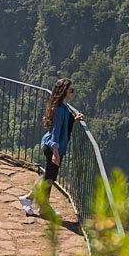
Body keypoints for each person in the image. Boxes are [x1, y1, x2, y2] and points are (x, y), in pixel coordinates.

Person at [20, 77, 84, 217]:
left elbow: (62, 125)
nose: (73, 92)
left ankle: (38, 205)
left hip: (51, 145)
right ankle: (32, 201)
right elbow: (56, 132)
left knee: (49, 177)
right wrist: (55, 152)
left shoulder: (62, 106)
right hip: (53, 147)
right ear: (64, 92)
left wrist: (73, 119)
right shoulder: (60, 109)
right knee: (49, 178)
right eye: (71, 90)